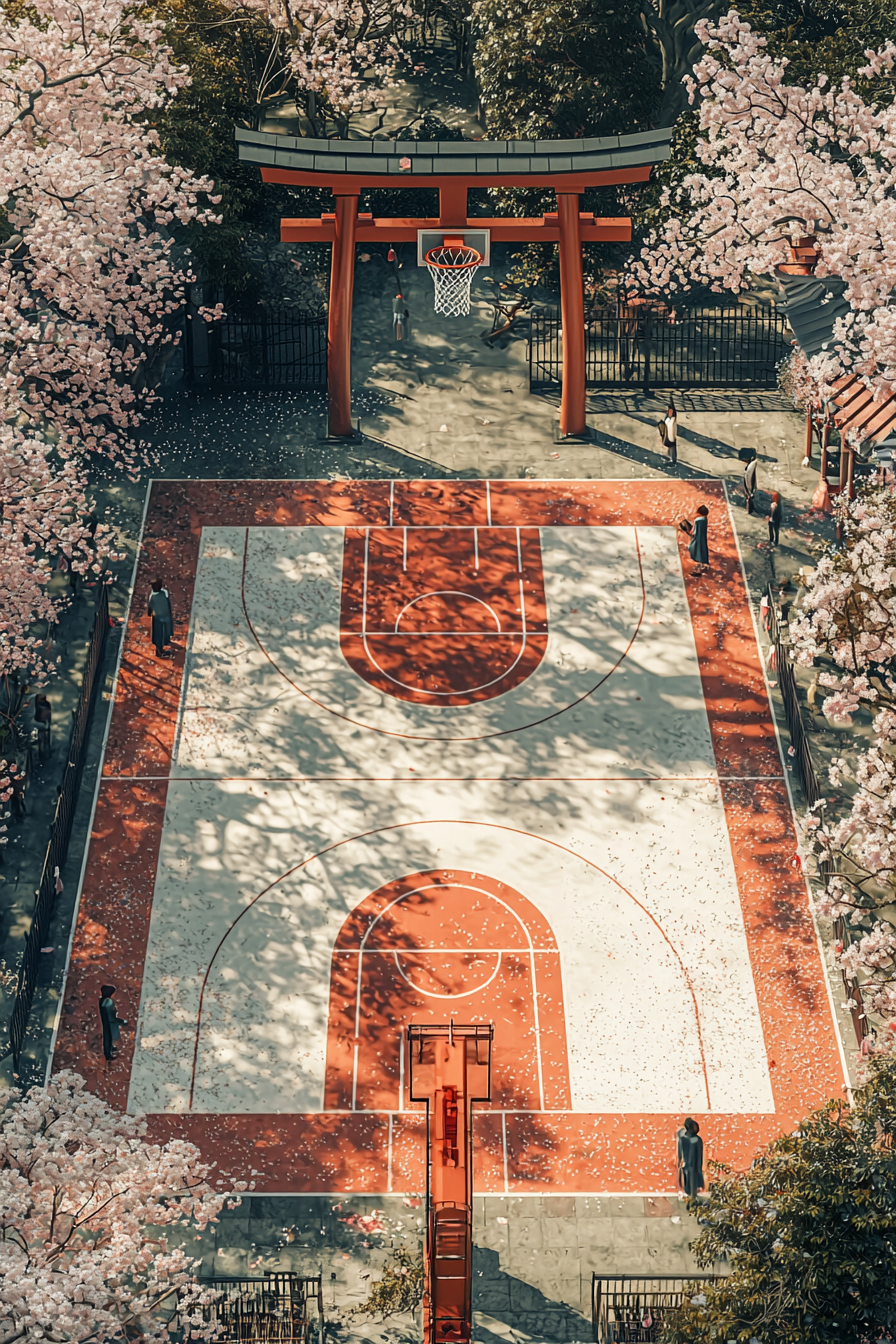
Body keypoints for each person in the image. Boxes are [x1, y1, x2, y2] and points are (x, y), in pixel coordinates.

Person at [677, 1117, 705, 1197]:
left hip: (689, 1166)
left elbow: (680, 1152)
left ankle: (691, 1195)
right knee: (691, 1184)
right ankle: (691, 1195)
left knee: (689, 1185)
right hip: (691, 1167)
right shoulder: (696, 1140)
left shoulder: (683, 1138)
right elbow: (699, 1157)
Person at [99, 985, 127, 1061]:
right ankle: (109, 1055)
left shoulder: (102, 1000)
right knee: (110, 1039)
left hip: (106, 1024)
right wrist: (122, 1022)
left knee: (107, 1038)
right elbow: (111, 1016)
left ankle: (108, 1056)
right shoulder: (108, 1002)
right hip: (111, 1024)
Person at [147, 580, 173, 658]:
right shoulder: (164, 592)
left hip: (158, 618)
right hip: (166, 616)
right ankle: (162, 646)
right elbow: (168, 603)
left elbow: (150, 609)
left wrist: (149, 613)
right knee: (165, 631)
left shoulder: (152, 596)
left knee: (158, 633)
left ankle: (159, 649)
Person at [34, 693, 51, 758]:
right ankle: (41, 756)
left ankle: (46, 754)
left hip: (45, 724)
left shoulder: (47, 704)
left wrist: (48, 724)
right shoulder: (36, 704)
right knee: (40, 741)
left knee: (46, 740)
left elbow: (49, 715)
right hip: (39, 724)